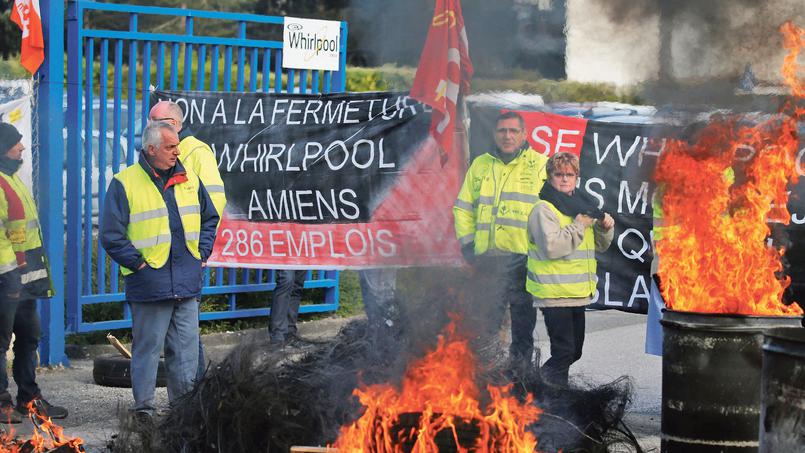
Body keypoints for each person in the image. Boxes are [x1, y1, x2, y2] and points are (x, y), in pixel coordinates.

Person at [100, 121, 219, 419]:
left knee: (187, 354)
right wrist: (139, 264)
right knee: (147, 351)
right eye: (170, 147)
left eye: (177, 145)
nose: (176, 152)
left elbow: (209, 218)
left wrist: (202, 252)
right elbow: (111, 235)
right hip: (150, 283)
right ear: (151, 149)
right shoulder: (125, 182)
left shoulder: (189, 177)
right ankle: (144, 411)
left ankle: (184, 411)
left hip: (186, 281)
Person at [453, 111, 548, 369]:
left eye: (513, 131)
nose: (507, 136)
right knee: (486, 326)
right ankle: (487, 381)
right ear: (495, 134)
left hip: (524, 261)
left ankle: (520, 380)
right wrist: (468, 245)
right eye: (502, 131)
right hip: (487, 261)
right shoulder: (481, 165)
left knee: (522, 328)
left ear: (524, 134)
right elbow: (462, 207)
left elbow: (553, 212)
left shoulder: (540, 164)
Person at [149, 100, 227, 377]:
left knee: (185, 332)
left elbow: (214, 204)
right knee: (180, 332)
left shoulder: (196, 151)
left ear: (176, 124)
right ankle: (191, 390)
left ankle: (196, 389)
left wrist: (201, 251)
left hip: (187, 257)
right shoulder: (157, 151)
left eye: (158, 121)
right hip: (166, 258)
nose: (151, 126)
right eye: (151, 121)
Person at [525, 152, 614, 387]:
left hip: (576, 294)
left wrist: (605, 228)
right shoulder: (543, 209)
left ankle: (548, 394)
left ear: (577, 177)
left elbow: (599, 246)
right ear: (549, 177)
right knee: (564, 353)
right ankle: (537, 393)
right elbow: (552, 248)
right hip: (553, 294)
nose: (564, 179)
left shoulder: (583, 207)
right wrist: (578, 226)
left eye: (569, 175)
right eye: (558, 174)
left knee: (573, 353)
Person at [0, 123, 68, 423]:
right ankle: (2, 401)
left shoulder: (11, 179)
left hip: (21, 279)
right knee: (0, 343)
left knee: (29, 336)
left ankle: (29, 398)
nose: (23, 148)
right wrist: (11, 272)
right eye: (17, 143)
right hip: (6, 277)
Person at [269, 270, 307, 345]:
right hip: (284, 258)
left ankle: (290, 334)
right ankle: (278, 336)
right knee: (286, 280)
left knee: (297, 285)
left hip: (300, 258)